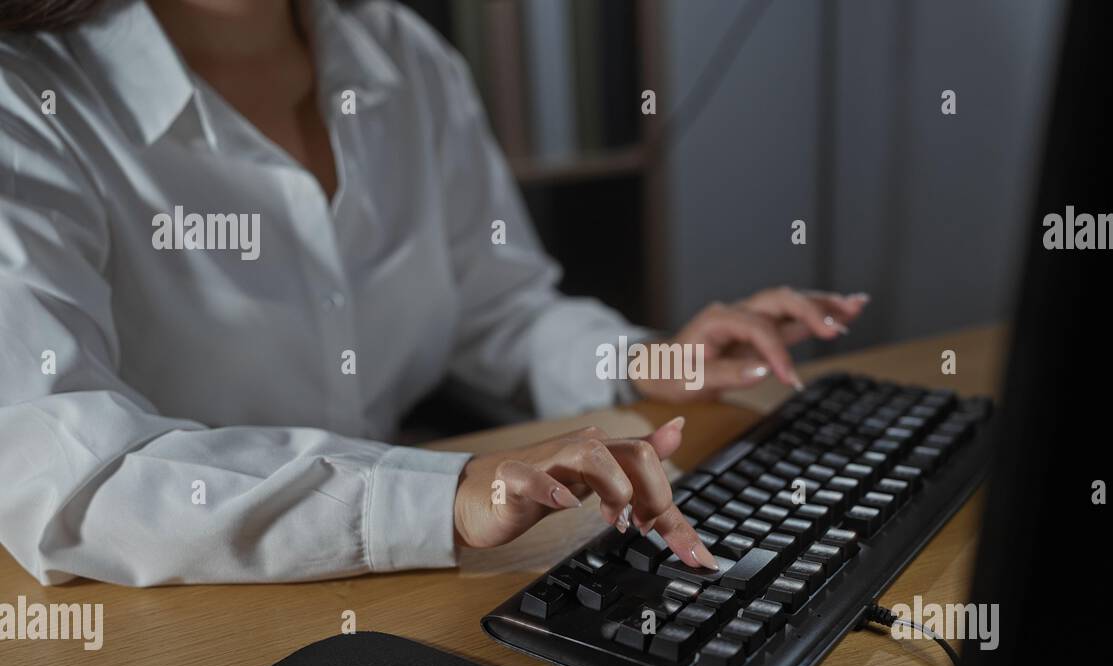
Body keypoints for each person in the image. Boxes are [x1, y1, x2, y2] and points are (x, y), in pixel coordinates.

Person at [0, 0, 867, 586]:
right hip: (167, 634)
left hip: (394, 598)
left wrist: (645, 358)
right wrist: (440, 496)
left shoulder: (402, 54)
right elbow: (72, 471)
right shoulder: (23, 101)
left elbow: (499, 309)